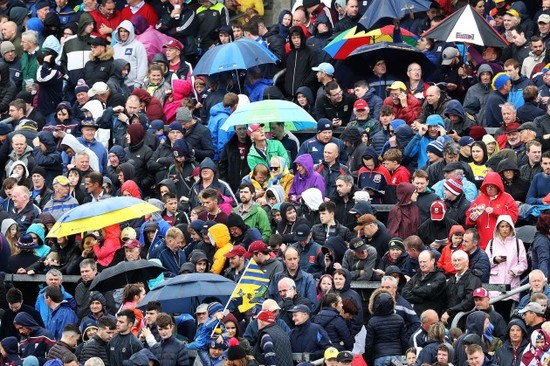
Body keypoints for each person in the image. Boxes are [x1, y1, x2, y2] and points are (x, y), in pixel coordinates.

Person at [465, 172, 518, 249]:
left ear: (498, 186)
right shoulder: (479, 199)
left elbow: (513, 217)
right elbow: (467, 221)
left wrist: (495, 211)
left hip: (502, 244)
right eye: (487, 186)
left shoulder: (507, 198)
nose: (489, 189)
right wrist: (471, 219)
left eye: (492, 186)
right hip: (482, 244)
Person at [364, 289, 408, 366]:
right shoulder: (399, 319)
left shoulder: (372, 321)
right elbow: (404, 341)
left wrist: (369, 361)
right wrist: (404, 360)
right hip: (397, 356)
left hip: (380, 357)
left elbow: (369, 345)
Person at [441, 250, 482, 325]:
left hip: (464, 319)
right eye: (454, 260)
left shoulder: (473, 279)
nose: (456, 263)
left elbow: (469, 302)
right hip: (449, 318)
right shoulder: (451, 280)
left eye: (459, 260)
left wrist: (449, 312)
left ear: (466, 262)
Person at [402, 250, 447, 316]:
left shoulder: (440, 277)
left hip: (432, 316)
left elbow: (428, 291)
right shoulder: (417, 276)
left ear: (432, 261)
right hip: (416, 315)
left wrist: (413, 290)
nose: (422, 264)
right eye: (420, 262)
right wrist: (421, 299)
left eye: (424, 262)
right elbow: (404, 292)